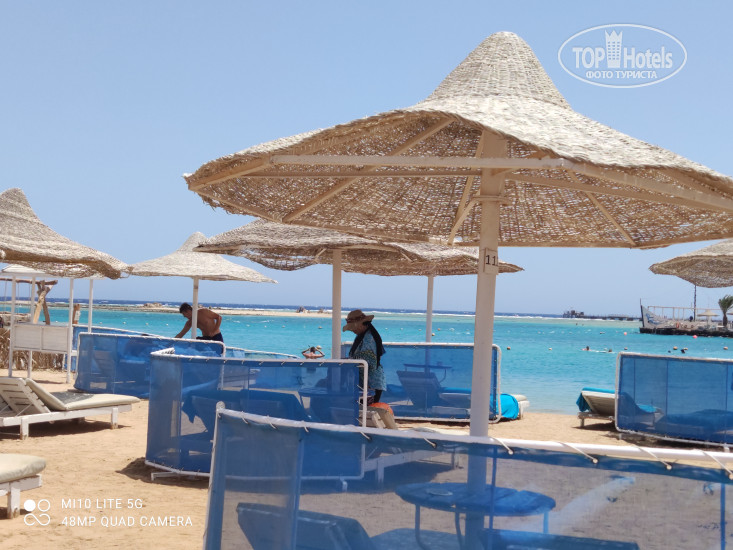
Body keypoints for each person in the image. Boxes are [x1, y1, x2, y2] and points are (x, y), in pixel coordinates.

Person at [343, 309, 386, 404]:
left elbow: (367, 361)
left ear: (361, 324)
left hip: (371, 384)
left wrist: (348, 362)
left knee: (365, 409)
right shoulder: (362, 335)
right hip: (366, 383)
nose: (352, 330)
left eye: (353, 327)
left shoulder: (369, 338)